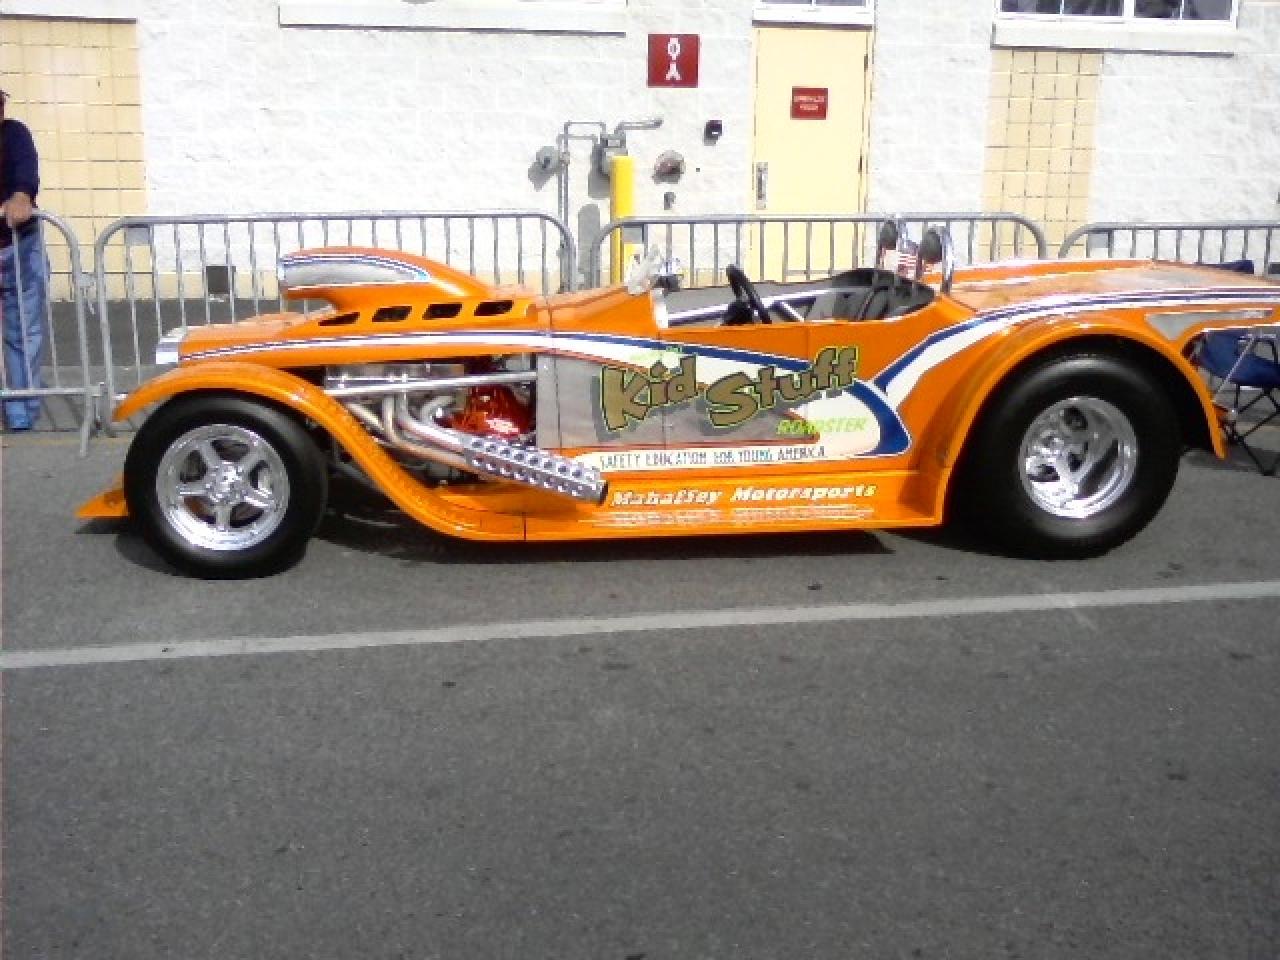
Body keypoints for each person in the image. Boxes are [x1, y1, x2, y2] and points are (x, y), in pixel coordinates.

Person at [1, 86, 47, 431]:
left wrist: (21, 196)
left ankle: (22, 410)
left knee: (23, 330)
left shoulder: (14, 134)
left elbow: (25, 173)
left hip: (19, 245)